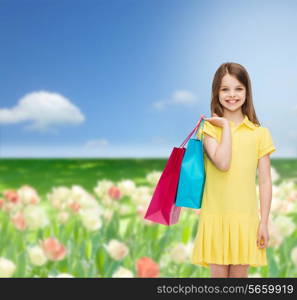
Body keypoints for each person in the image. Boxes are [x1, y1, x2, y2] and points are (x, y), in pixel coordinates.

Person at [191, 62, 276, 278]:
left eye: (238, 88)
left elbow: (265, 181)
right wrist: (225, 127)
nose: (232, 95)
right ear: (216, 93)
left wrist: (264, 222)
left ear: (247, 92)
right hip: (215, 216)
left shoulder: (259, 133)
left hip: (245, 219)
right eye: (225, 89)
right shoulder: (208, 128)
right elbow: (222, 162)